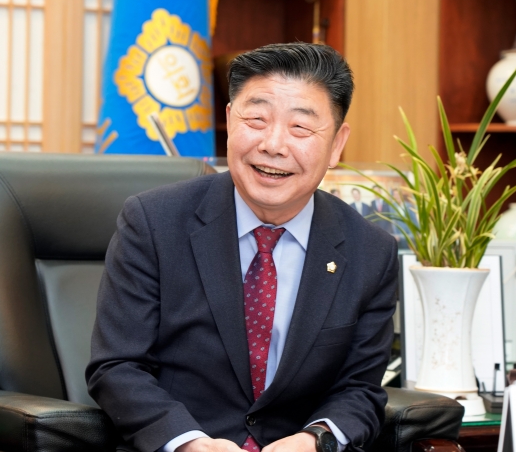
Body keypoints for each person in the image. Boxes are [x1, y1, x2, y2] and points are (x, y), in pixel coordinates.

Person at [87, 42, 398, 452]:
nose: (273, 144)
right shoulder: (153, 222)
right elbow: (117, 366)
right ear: (231, 121)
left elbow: (360, 389)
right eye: (256, 119)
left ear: (337, 145)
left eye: (300, 128)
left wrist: (315, 439)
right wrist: (190, 443)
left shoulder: (370, 252)